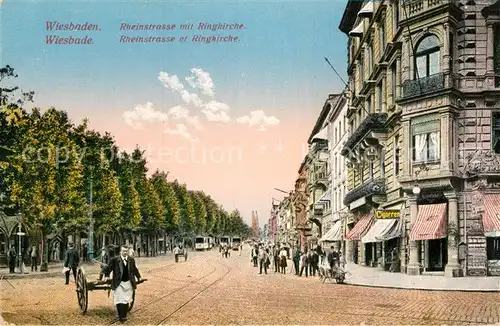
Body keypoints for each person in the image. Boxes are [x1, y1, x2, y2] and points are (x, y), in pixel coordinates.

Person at [102, 245, 142, 323]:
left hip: (128, 282)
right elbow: (108, 268)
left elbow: (134, 269)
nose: (125, 252)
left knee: (126, 300)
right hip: (118, 283)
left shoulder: (131, 260)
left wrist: (139, 277)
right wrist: (106, 276)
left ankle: (124, 315)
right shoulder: (115, 260)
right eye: (123, 251)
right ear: (120, 251)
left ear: (128, 251)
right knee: (119, 299)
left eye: (126, 251)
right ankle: (121, 316)